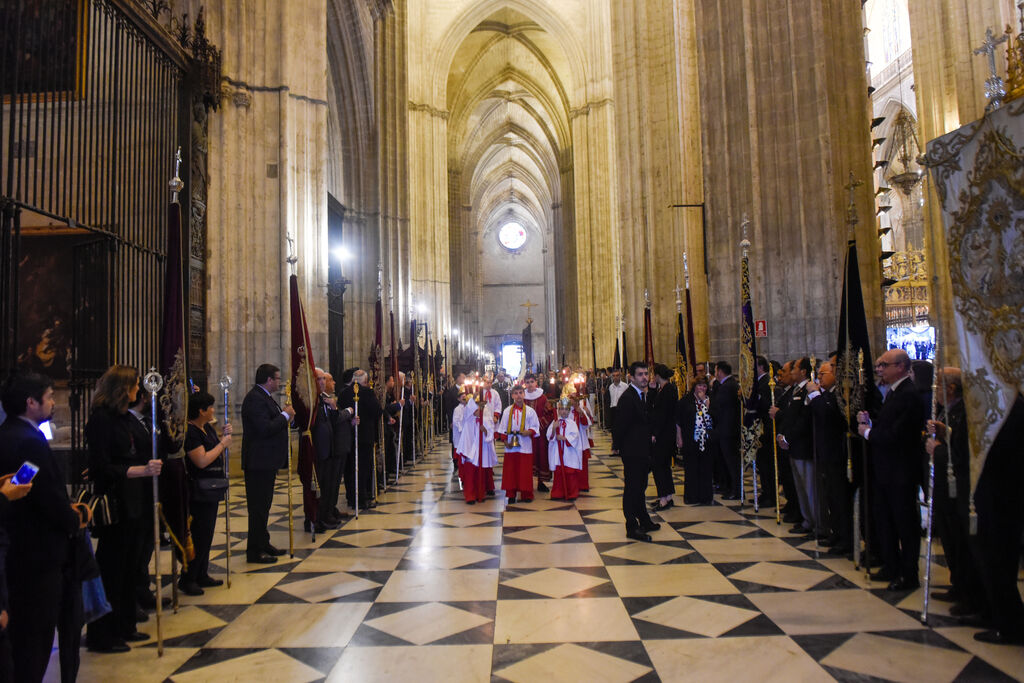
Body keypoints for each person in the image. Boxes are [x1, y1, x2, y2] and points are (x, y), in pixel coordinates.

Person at [0, 371, 89, 680]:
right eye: (50, 397)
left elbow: (19, 487)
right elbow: (44, 494)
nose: (53, 402)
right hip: (39, 553)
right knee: (35, 639)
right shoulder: (30, 442)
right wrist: (74, 517)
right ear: (31, 403)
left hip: (17, 547)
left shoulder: (7, 433)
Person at [85, 365, 163, 652]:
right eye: (134, 386)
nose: (138, 391)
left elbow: (141, 447)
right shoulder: (101, 420)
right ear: (121, 388)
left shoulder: (125, 417)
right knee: (113, 570)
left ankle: (125, 624)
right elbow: (101, 468)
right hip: (117, 504)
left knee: (131, 568)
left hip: (137, 502)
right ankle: (103, 634)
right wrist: (140, 470)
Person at [858, 348, 926, 591]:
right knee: (886, 520)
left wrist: (868, 432)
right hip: (886, 470)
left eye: (883, 365)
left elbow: (899, 435)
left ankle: (909, 573)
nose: (879, 370)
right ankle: (891, 565)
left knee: (904, 524)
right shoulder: (893, 393)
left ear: (900, 366)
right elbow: (890, 425)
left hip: (900, 471)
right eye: (878, 365)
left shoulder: (908, 394)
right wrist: (872, 423)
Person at [241, 364, 294, 564]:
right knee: (258, 508)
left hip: (266, 462)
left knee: (264, 506)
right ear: (269, 380)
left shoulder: (265, 398)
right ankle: (254, 551)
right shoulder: (255, 399)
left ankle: (263, 542)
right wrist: (285, 416)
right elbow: (264, 428)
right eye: (278, 379)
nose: (279, 382)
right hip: (258, 463)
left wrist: (287, 417)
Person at [180, 390, 231, 595]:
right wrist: (223, 444)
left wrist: (222, 436)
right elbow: (201, 460)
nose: (212, 410)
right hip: (198, 490)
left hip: (211, 487)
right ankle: (188, 577)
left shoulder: (207, 428)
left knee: (207, 534)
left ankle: (201, 573)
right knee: (199, 534)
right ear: (201, 411)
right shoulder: (190, 432)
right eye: (210, 407)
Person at [807, 359, 852, 555]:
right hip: (825, 452)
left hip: (837, 454)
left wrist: (815, 394)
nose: (819, 377)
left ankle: (845, 537)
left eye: (823, 374)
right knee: (831, 497)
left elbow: (827, 415)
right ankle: (836, 532)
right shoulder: (827, 395)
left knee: (840, 498)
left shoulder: (839, 395)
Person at [612, 361, 659, 542]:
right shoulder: (628, 398)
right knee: (632, 488)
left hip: (642, 450)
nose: (644, 377)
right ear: (631, 377)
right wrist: (617, 446)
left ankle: (644, 520)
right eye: (640, 374)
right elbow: (620, 425)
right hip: (632, 452)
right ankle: (631, 525)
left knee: (641, 487)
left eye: (646, 374)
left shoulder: (642, 395)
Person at [777, 357, 818, 536]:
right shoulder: (795, 390)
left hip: (803, 446)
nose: (791, 372)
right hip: (793, 445)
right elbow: (789, 416)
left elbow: (803, 420)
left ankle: (814, 522)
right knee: (800, 486)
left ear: (803, 372)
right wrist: (782, 435)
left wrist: (788, 437)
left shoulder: (808, 390)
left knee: (808, 487)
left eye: (794, 369)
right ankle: (806, 519)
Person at [309, 368, 346, 532]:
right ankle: (317, 518)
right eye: (319, 379)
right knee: (319, 487)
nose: (322, 382)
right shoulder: (312, 402)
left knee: (328, 486)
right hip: (318, 451)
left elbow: (335, 421)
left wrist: (334, 408)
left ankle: (326, 515)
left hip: (329, 449)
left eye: (324, 379)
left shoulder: (325, 399)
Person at [339, 369, 382, 510]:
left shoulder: (343, 393)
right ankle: (362, 499)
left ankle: (351, 498)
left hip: (347, 436)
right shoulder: (367, 392)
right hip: (364, 436)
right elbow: (377, 411)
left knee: (350, 469)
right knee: (363, 469)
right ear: (364, 381)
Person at [496, 385, 539, 504]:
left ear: (524, 394)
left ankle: (526, 494)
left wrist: (529, 431)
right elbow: (502, 428)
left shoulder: (530, 411)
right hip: (511, 446)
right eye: (516, 393)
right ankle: (511, 494)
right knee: (511, 471)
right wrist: (505, 442)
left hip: (525, 445)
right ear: (512, 395)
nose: (519, 395)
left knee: (524, 470)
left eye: (521, 393)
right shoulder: (507, 411)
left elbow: (536, 426)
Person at [676, 375, 714, 505]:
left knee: (706, 467)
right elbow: (678, 422)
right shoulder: (685, 401)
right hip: (690, 438)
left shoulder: (710, 401)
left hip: (707, 439)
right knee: (691, 468)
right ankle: (691, 496)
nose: (702, 388)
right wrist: (679, 438)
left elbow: (714, 417)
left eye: (704, 386)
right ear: (694, 386)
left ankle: (705, 496)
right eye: (699, 385)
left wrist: (706, 403)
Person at [710, 361, 741, 500]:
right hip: (729, 429)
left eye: (716, 371)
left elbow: (717, 408)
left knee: (731, 462)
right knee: (728, 461)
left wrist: (708, 405)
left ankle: (736, 490)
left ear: (720, 372)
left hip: (727, 430)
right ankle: (731, 487)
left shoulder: (726, 387)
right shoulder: (731, 384)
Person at [457, 393, 495, 504]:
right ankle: (470, 495)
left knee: (480, 472)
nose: (478, 410)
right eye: (476, 407)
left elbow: (490, 430)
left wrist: (486, 431)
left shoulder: (486, 417)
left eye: (480, 407)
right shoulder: (469, 417)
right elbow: (469, 409)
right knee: (470, 472)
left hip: (481, 448)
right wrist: (472, 398)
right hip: (469, 448)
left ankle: (480, 493)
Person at [649, 364, 677, 511]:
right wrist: (653, 390)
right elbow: (653, 406)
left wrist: (655, 433)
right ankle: (666, 496)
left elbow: (662, 415)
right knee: (663, 466)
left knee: (658, 466)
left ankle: (664, 499)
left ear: (658, 375)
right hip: (664, 433)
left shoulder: (669, 390)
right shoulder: (663, 389)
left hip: (664, 434)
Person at [547, 398, 583, 501]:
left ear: (569, 410)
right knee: (558, 474)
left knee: (570, 473)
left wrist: (565, 439)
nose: (563, 411)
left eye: (566, 409)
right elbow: (549, 436)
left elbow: (575, 437)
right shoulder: (555, 422)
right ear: (558, 410)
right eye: (561, 409)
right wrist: (554, 429)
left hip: (569, 453)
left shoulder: (572, 423)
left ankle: (572, 493)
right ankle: (558, 493)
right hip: (558, 453)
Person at [522, 373, 553, 491]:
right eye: (527, 382)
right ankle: (526, 482)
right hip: (525, 434)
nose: (530, 384)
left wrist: (538, 425)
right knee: (526, 457)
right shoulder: (522, 397)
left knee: (541, 457)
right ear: (525, 384)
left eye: (532, 382)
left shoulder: (542, 397)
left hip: (540, 434)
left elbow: (549, 414)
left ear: (536, 383)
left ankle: (541, 482)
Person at [753, 356, 776, 507]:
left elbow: (767, 405)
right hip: (759, 429)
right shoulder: (759, 382)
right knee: (762, 464)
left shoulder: (767, 382)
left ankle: (770, 495)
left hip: (766, 429)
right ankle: (765, 492)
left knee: (767, 465)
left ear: (760, 367)